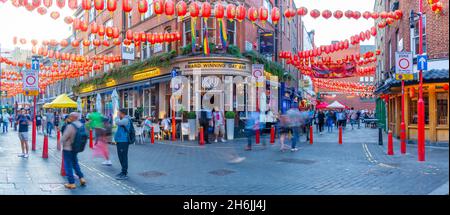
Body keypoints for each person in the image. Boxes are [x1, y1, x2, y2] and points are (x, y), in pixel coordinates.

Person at [61, 112, 86, 189]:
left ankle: (71, 183)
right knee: (75, 163)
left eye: (70, 117)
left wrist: (60, 143)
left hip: (68, 148)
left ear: (72, 117)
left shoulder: (70, 126)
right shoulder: (81, 125)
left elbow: (64, 137)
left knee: (68, 165)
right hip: (76, 148)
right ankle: (81, 178)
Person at [114, 109, 132, 180]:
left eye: (118, 112)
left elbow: (117, 122)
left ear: (122, 113)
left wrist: (116, 117)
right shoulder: (123, 119)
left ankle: (124, 173)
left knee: (123, 157)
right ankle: (123, 171)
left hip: (123, 141)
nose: (117, 113)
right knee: (120, 156)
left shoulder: (126, 119)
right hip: (120, 141)